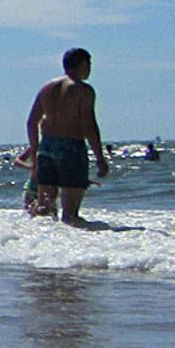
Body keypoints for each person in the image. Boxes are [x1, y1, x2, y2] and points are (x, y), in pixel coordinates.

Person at [18, 48, 109, 227]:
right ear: (81, 64)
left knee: (45, 210)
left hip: (47, 148)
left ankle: (35, 246)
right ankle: (71, 250)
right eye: (88, 64)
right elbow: (89, 125)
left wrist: (36, 151)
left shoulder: (47, 88)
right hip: (71, 147)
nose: (90, 69)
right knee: (70, 215)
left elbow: (31, 122)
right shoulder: (83, 90)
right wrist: (100, 158)